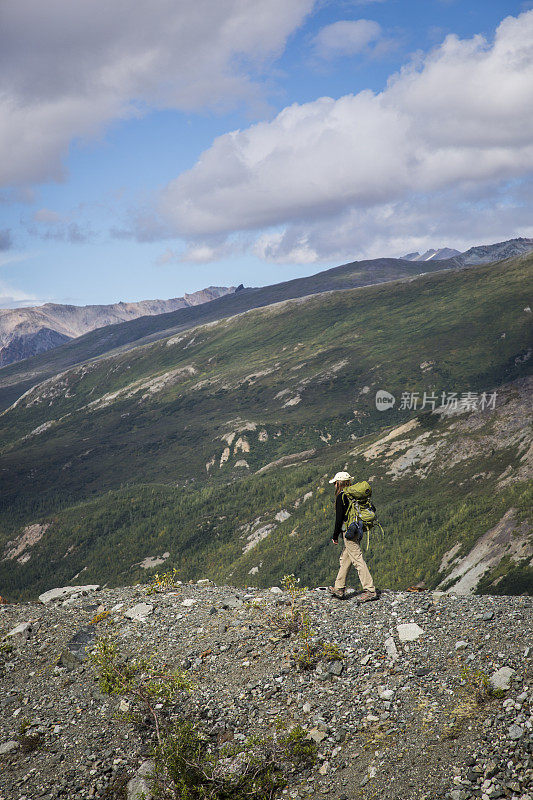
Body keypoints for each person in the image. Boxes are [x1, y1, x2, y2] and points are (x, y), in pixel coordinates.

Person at [328, 471, 378, 603]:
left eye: (335, 483)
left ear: (339, 483)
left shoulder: (342, 497)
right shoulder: (355, 495)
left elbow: (339, 519)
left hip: (349, 531)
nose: (334, 486)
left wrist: (335, 535)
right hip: (358, 529)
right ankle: (339, 588)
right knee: (346, 558)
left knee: (357, 559)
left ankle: (370, 590)